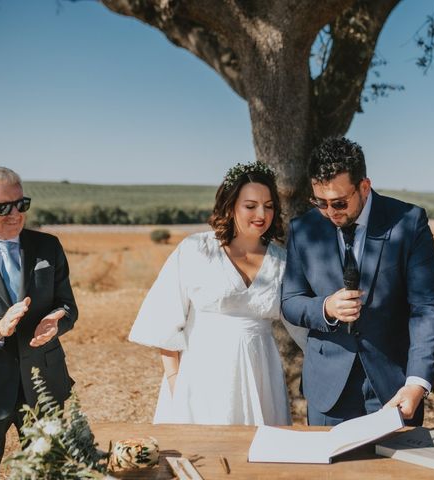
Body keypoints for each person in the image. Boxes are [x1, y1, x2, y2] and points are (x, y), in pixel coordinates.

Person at [281, 137, 434, 426]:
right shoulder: (302, 229)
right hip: (327, 392)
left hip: (394, 387)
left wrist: (416, 383)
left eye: (339, 202)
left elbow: (426, 308)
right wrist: (326, 308)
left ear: (364, 187)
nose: (330, 212)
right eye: (320, 202)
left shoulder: (409, 222)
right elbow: (290, 302)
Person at [129, 161, 307, 425]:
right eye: (250, 206)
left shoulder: (282, 261)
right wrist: (176, 380)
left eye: (269, 206)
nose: (261, 214)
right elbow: (164, 320)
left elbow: (302, 323)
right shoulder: (196, 249)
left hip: (261, 377)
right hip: (201, 376)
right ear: (230, 205)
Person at [0, 167, 78, 478]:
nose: (15, 214)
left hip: (44, 382)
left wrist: (58, 320)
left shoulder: (48, 246)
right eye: (3, 207)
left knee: (46, 472)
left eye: (20, 204)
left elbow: (67, 305)